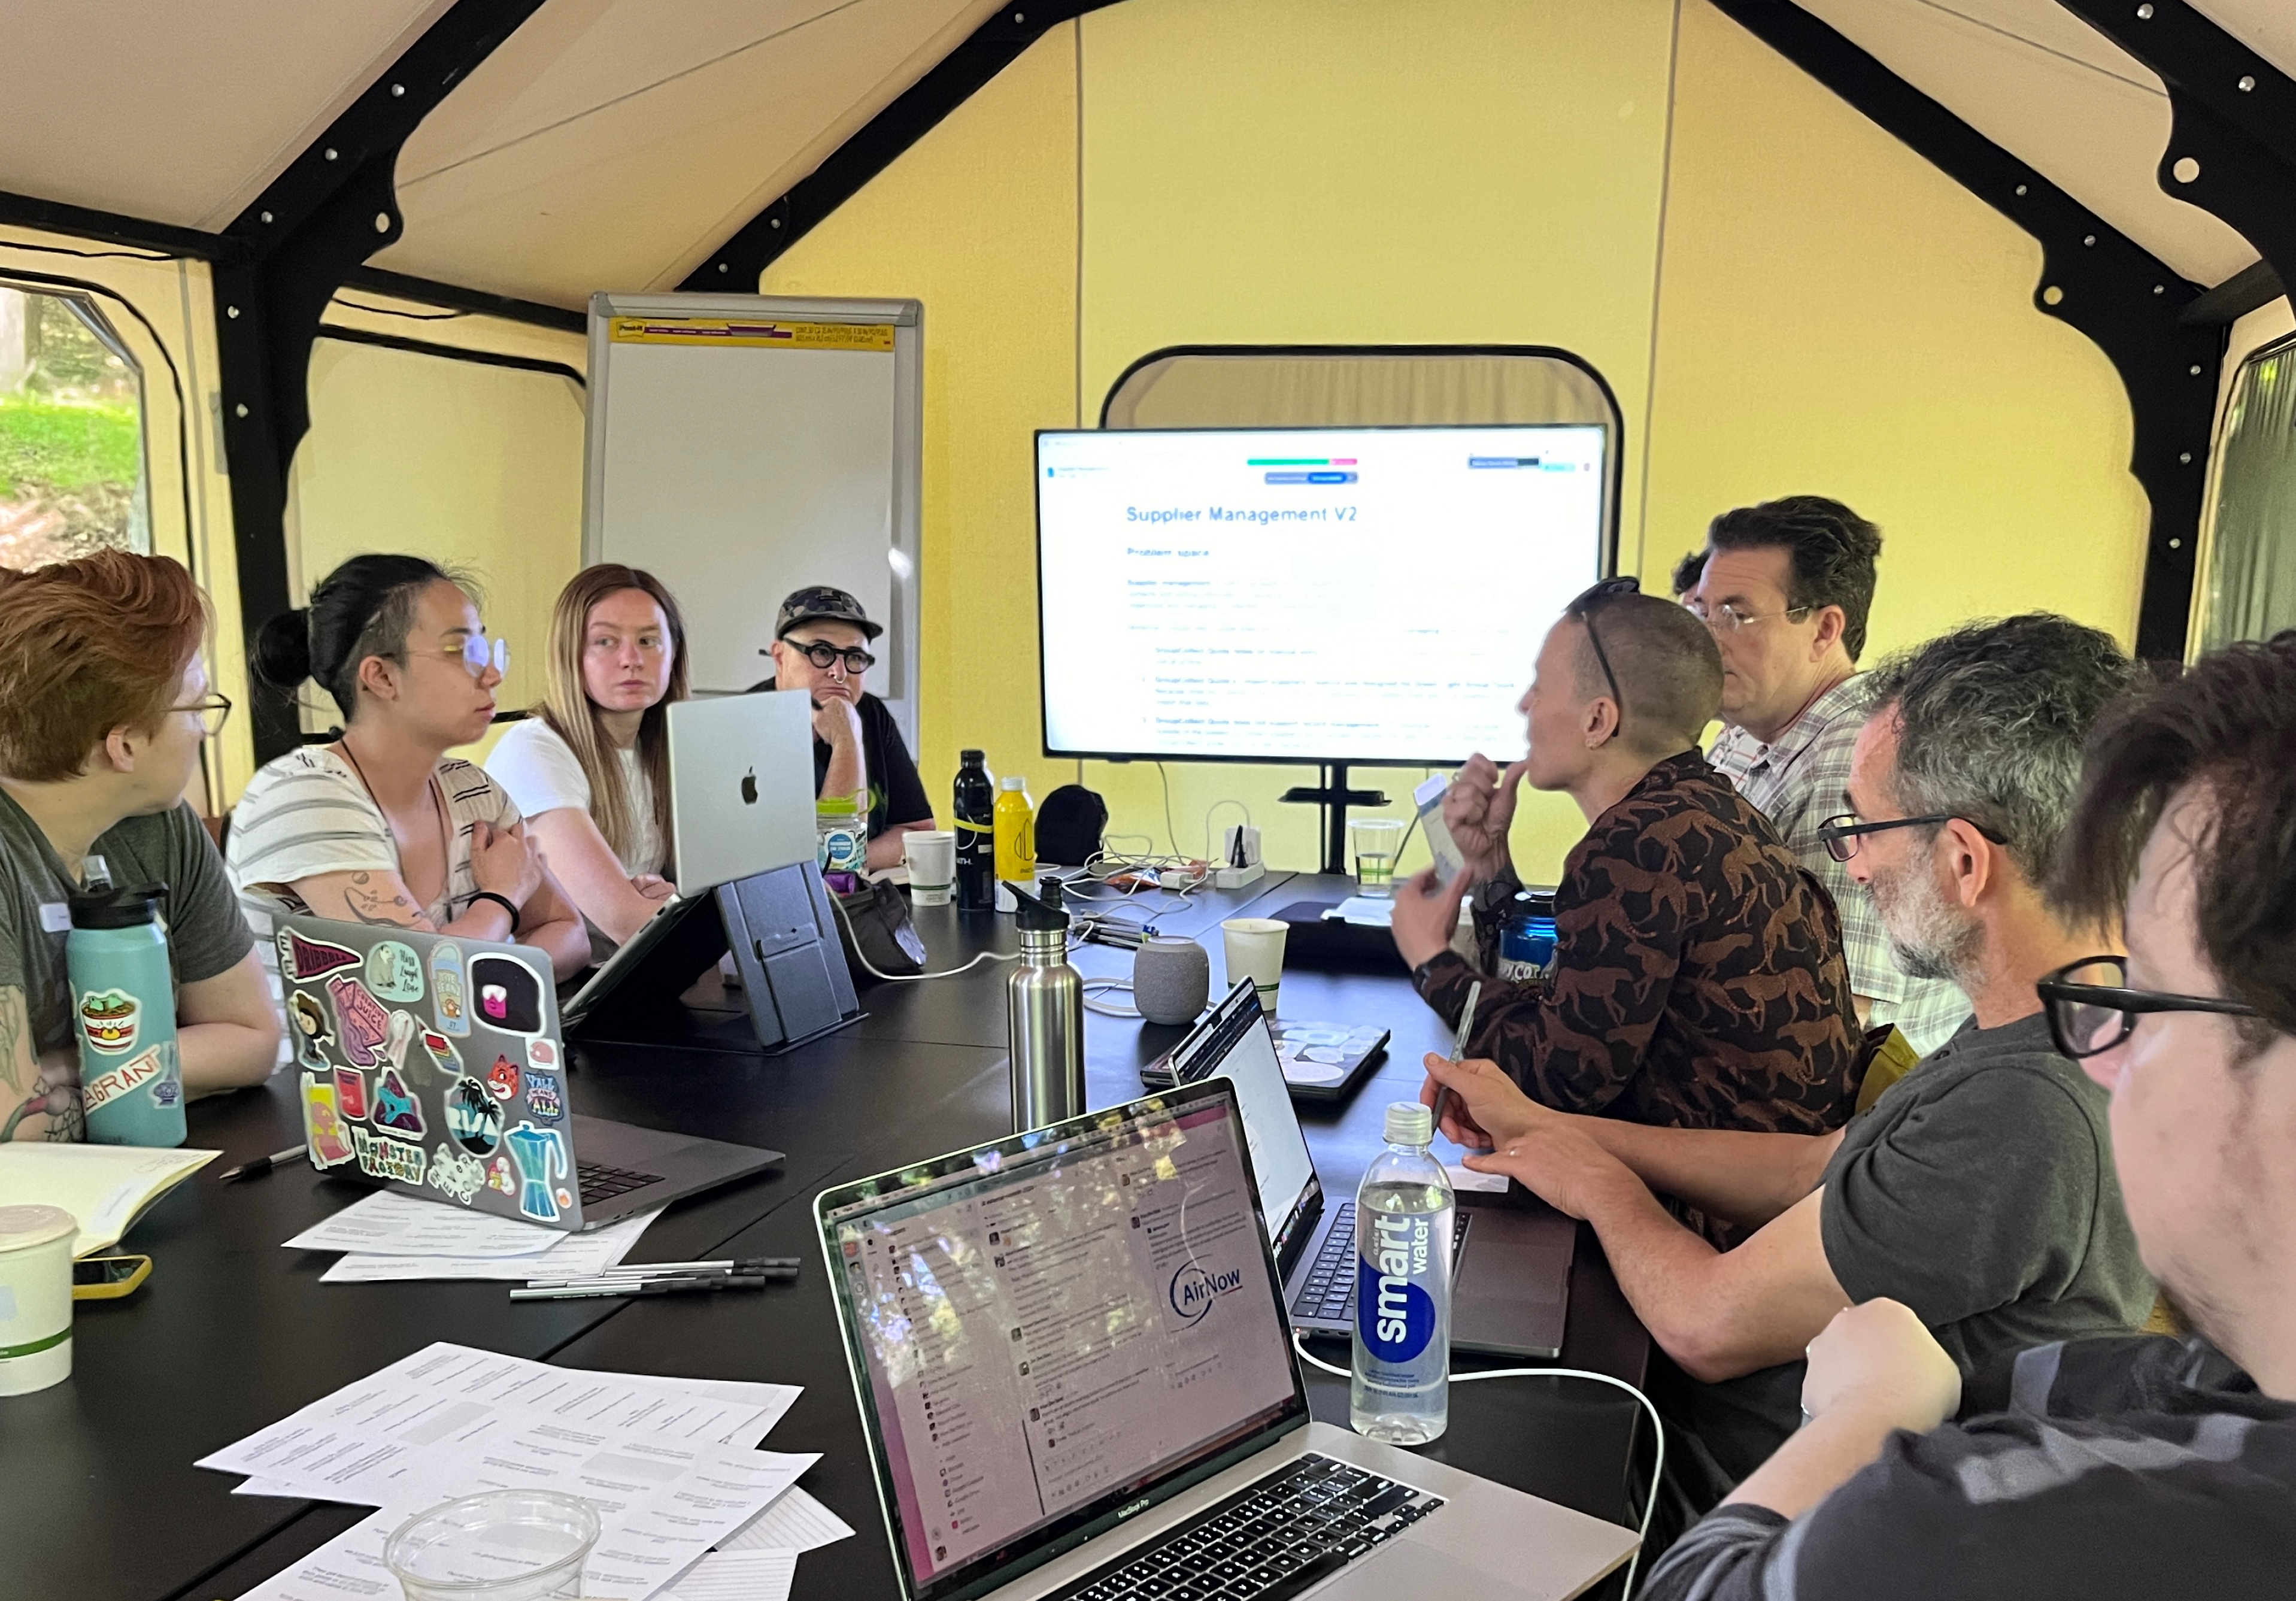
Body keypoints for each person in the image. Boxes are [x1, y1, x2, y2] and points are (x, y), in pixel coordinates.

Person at [1425, 612, 2155, 1545]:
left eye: (1862, 828)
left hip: (1754, 1499)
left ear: (1964, 861)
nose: (1849, 859)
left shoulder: (2026, 1111)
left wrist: (1598, 1181)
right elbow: (1814, 1165)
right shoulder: (2044, 1032)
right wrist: (1548, 1130)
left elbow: (1704, 1322)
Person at [1640, 630, 2296, 1600]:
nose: (2104, 1054)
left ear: (1962, 857)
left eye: (2149, 996)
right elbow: (1825, 1164)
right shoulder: (2185, 1389)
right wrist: (1574, 1138)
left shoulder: (1971, 1526)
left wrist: (1866, 1413)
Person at [1388, 579, 1862, 1243]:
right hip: (1771, 1209)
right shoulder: (1701, 810)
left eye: (1540, 687)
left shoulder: (1639, 844)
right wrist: (1491, 869)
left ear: (1597, 719)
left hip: (1716, 1231)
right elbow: (1581, 1002)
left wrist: (1430, 961)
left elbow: (1558, 1081)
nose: (1524, 705)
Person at [0, 551, 280, 1139]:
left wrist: (73, 1068)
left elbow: (252, 1040)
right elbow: (13, 1133)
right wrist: (165, 1066)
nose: (203, 728)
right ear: (122, 746)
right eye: (196, 705)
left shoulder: (160, 823)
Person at [1681, 496, 1969, 1053]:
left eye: (1735, 616)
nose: (1705, 640)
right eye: (1702, 614)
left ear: (1823, 630)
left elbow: (1834, 1024)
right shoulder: (1743, 733)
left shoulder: (1853, 763)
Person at [228, 556, 589, 986]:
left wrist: (479, 975)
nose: (491, 674)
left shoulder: (472, 789)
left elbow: (571, 937)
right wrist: (501, 899)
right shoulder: (305, 797)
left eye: (485, 648)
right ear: (381, 677)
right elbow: (419, 982)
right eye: (462, 651)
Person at [486, 565, 686, 947]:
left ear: (673, 654)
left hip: (638, 971)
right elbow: (628, 923)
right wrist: (670, 904)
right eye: (606, 642)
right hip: (550, 988)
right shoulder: (533, 750)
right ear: (569, 654)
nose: (632, 659)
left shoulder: (666, 749)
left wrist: (669, 898)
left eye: (648, 640)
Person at [745, 586, 933, 871]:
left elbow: (918, 833)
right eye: (822, 652)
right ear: (780, 657)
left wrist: (854, 859)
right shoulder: (743, 726)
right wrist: (848, 740)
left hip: (862, 902)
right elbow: (832, 860)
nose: (840, 672)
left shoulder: (870, 712)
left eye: (855, 656)